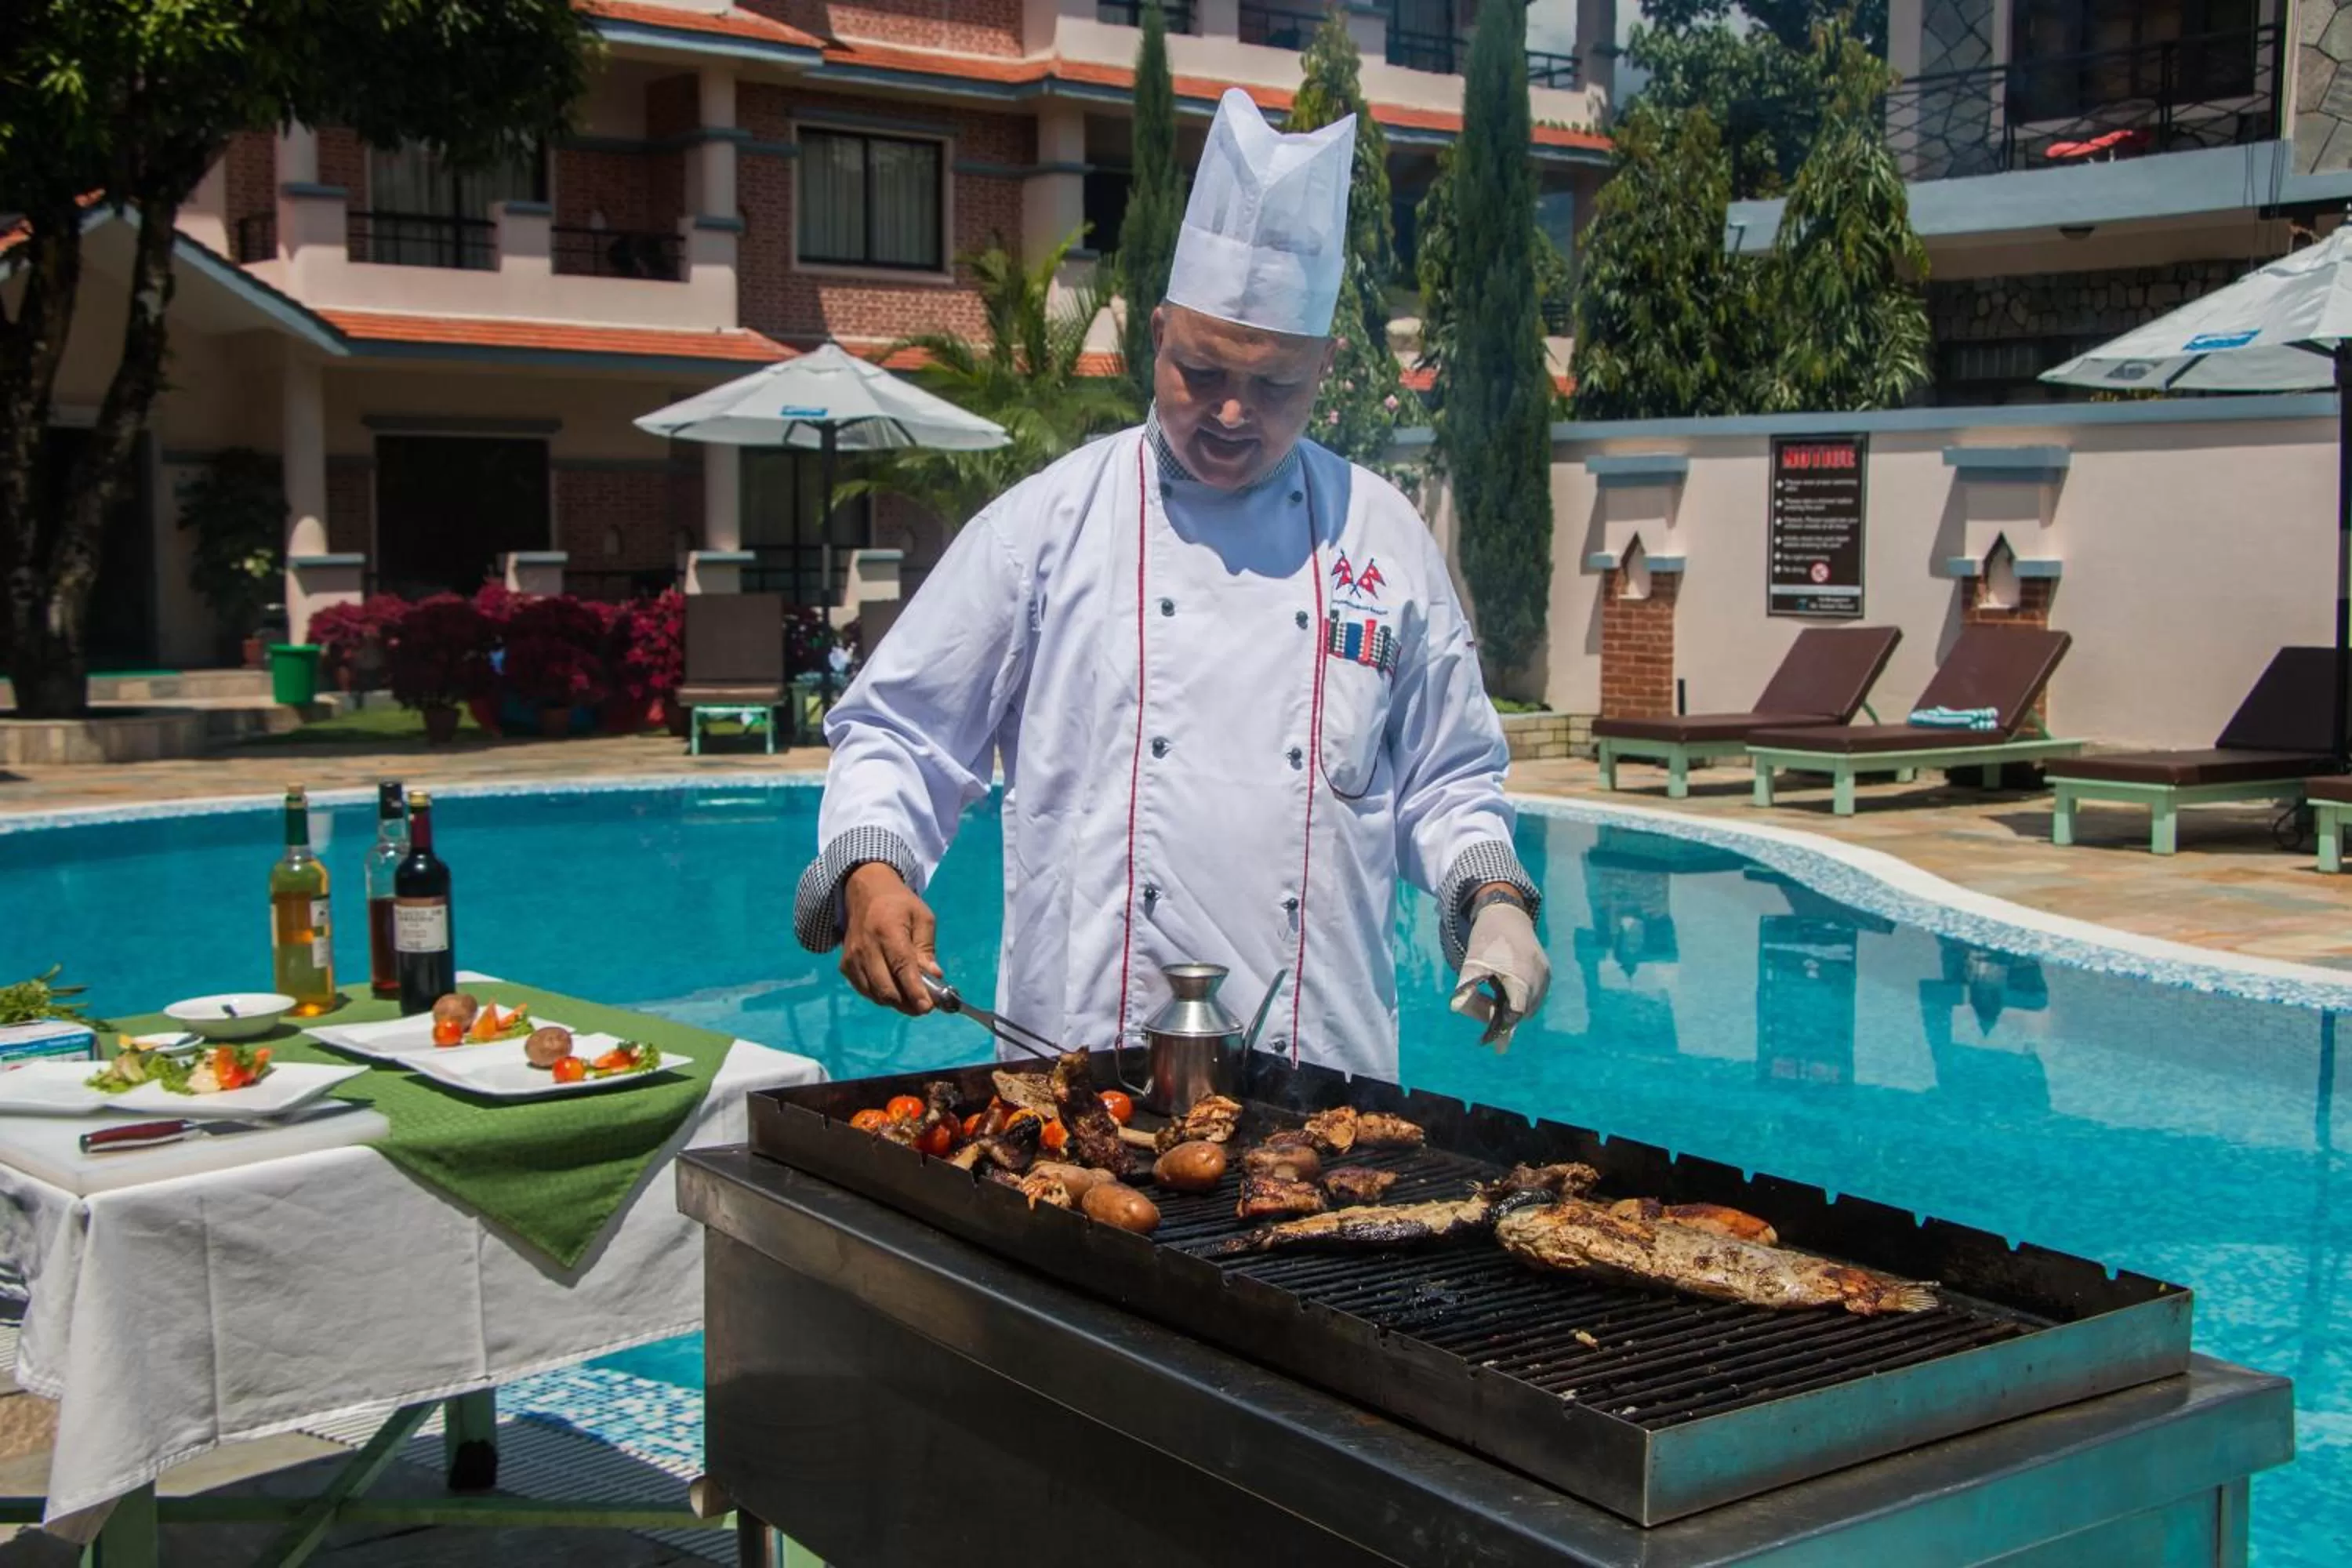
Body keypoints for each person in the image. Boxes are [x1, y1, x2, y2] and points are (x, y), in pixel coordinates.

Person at [793, 89, 1549, 1076]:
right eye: (1201, 371)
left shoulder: (1383, 537)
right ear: (1157, 332)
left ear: (1325, 366)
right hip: (1076, 1062)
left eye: (1275, 384)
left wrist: (1492, 898)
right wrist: (871, 870)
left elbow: (1447, 779)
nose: (1233, 412)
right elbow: (902, 730)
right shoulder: (1050, 524)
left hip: (1322, 1072)